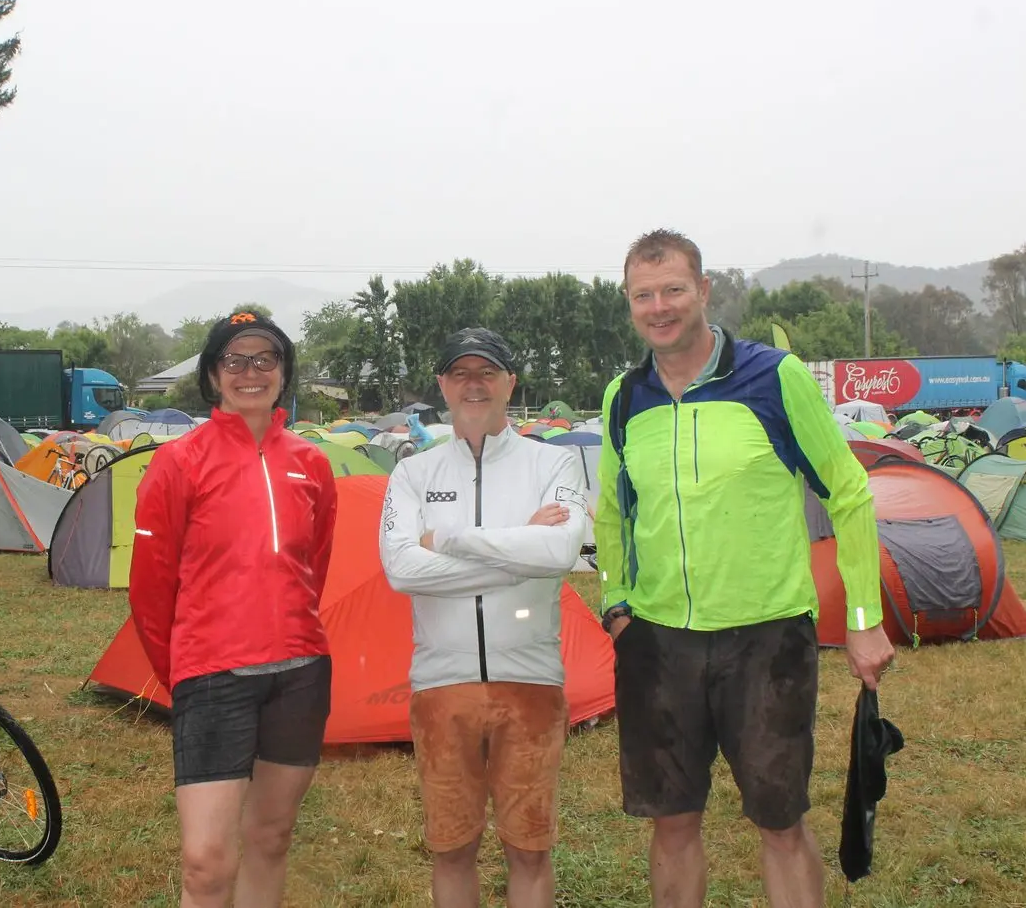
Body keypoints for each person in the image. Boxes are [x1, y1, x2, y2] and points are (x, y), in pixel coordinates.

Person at [595, 229, 897, 908]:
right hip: (657, 641)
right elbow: (612, 511)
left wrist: (861, 619)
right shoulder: (622, 396)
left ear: (702, 291)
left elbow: (847, 493)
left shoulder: (772, 376)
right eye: (643, 295)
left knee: (779, 821)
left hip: (767, 641)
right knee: (671, 822)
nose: (659, 306)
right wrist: (616, 602)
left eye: (673, 289)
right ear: (629, 303)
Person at [128, 310, 338, 908]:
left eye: (265, 359)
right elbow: (150, 588)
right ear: (213, 374)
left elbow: (314, 565)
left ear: (283, 372)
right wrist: (184, 671)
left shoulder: (312, 463)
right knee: (205, 863)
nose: (251, 372)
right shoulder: (178, 462)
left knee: (271, 837)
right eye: (235, 360)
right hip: (211, 672)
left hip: (299, 672)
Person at [379, 327, 590, 908]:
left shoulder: (556, 461)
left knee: (529, 850)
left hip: (531, 682)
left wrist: (445, 538)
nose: (474, 384)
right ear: (443, 385)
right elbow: (402, 571)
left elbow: (559, 553)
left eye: (487, 372)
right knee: (452, 850)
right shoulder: (412, 473)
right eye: (461, 373)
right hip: (440, 684)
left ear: (510, 382)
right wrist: (517, 553)